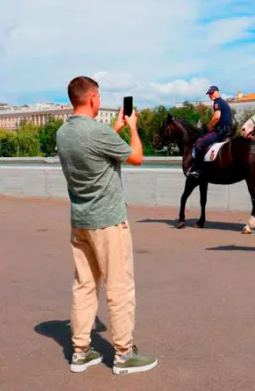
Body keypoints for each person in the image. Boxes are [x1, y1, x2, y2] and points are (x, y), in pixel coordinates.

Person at [56, 76, 157, 375]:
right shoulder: (96, 132)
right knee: (119, 287)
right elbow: (136, 157)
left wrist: (114, 131)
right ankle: (124, 355)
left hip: (81, 221)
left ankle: (81, 351)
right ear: (91, 99)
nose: (99, 102)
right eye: (98, 97)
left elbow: (94, 152)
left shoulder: (64, 133)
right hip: (108, 222)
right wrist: (134, 128)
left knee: (84, 287)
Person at [187, 85, 234, 178]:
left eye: (212, 93)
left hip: (222, 131)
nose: (210, 95)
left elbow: (217, 117)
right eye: (209, 94)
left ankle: (198, 169)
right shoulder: (224, 102)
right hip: (228, 129)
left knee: (199, 144)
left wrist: (210, 126)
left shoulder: (217, 102)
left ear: (217, 92)